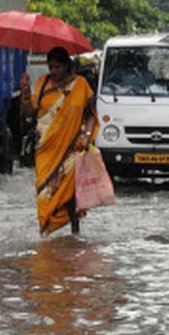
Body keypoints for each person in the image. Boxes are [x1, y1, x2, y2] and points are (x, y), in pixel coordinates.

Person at [21, 46, 96, 236]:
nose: (53, 71)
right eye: (50, 67)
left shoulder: (81, 85)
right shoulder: (42, 83)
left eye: (57, 67)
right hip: (45, 148)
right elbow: (29, 112)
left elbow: (91, 115)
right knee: (44, 193)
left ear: (66, 66)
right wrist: (24, 92)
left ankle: (74, 230)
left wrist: (86, 137)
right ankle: (45, 229)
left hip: (72, 147)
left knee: (69, 193)